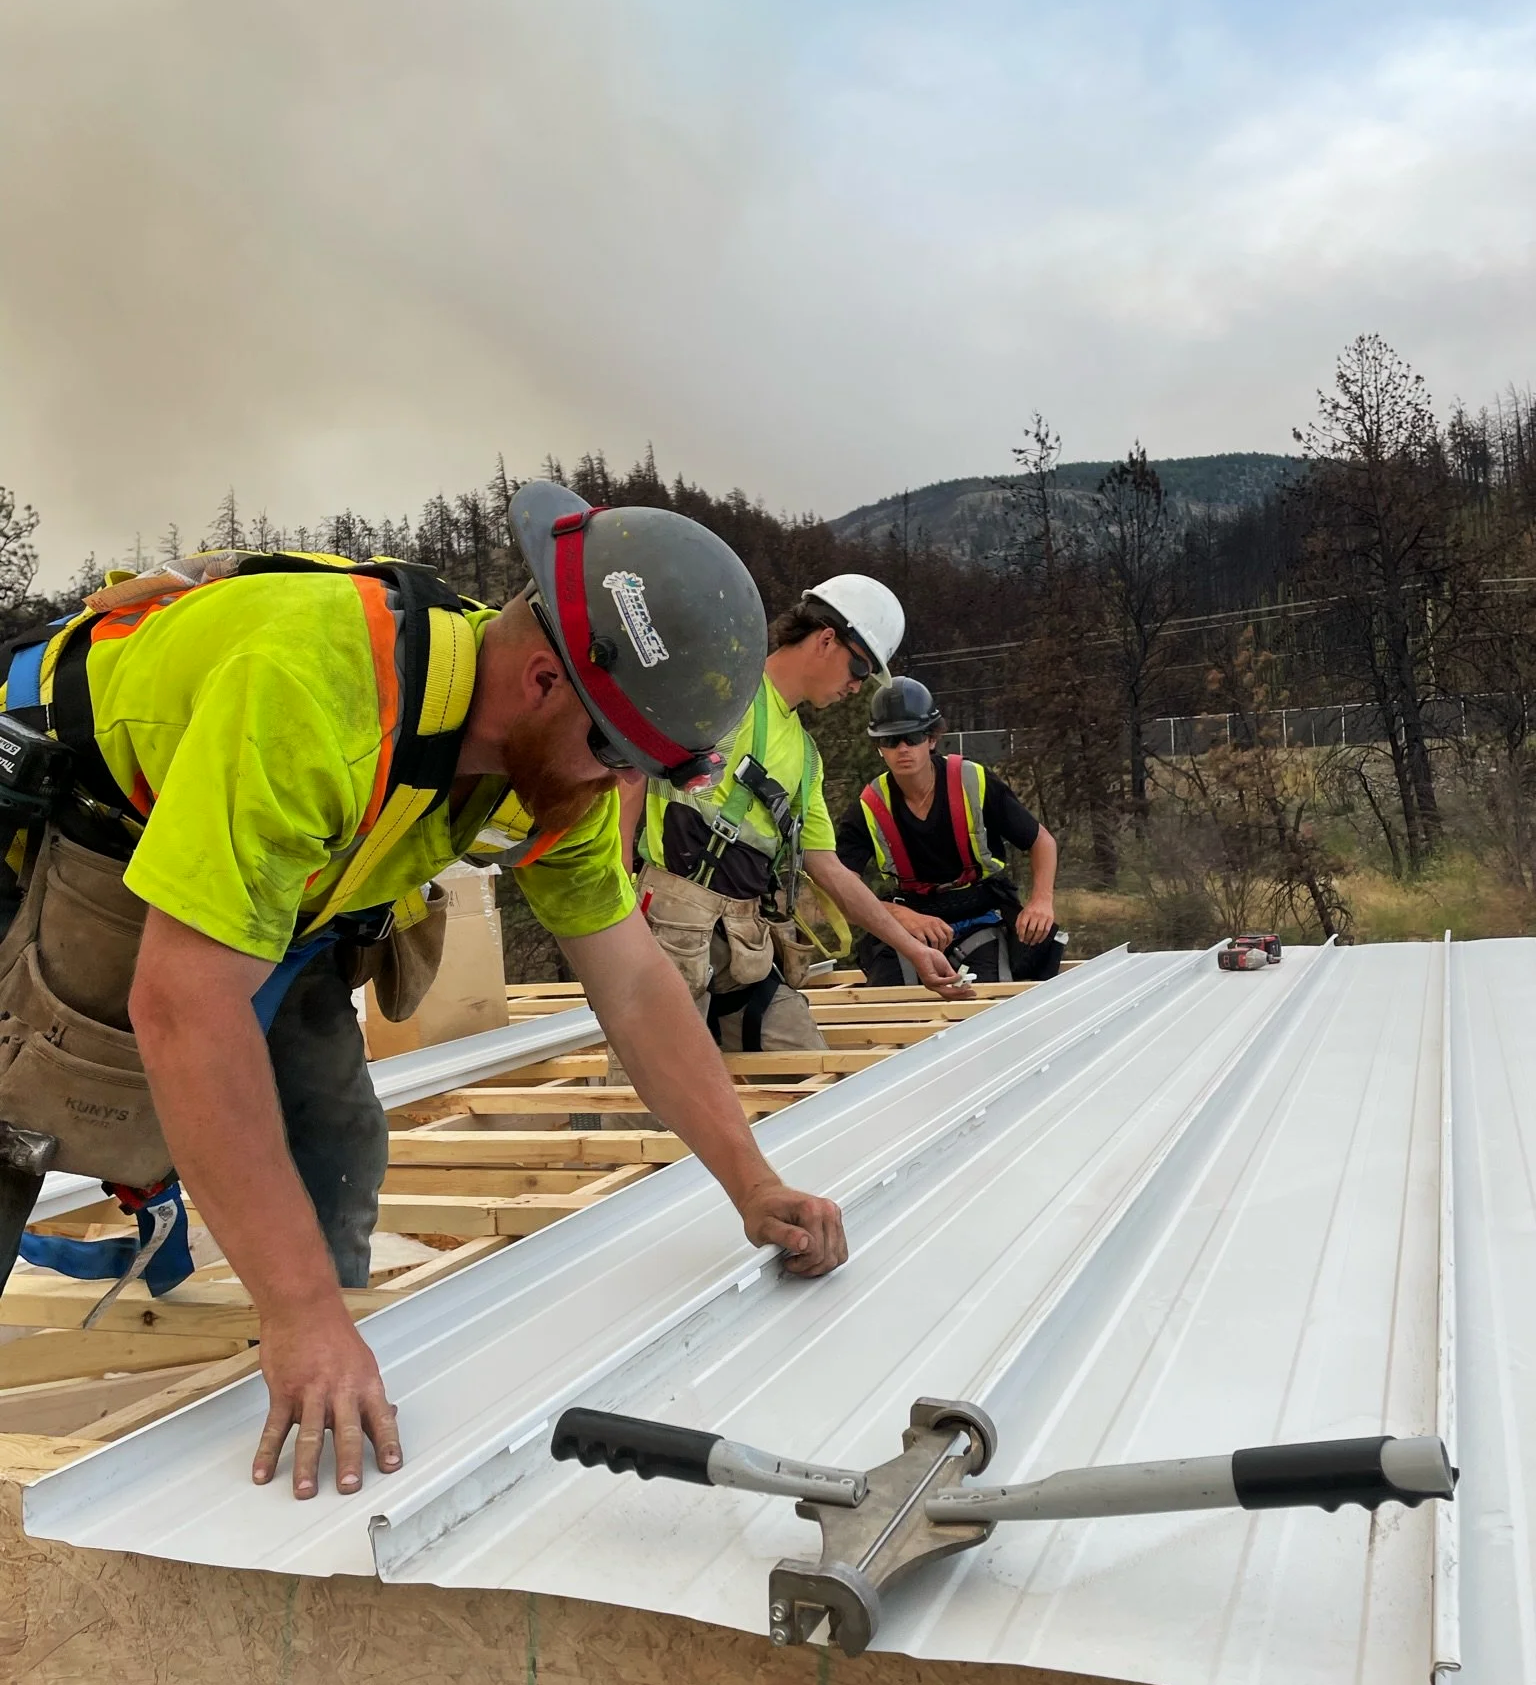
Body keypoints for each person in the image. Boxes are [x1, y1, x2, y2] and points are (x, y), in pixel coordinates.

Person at [0, 480, 848, 1500]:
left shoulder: (557, 763)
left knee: (335, 1131)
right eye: (616, 758)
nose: (617, 792)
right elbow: (185, 1007)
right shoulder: (314, 696)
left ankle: (295, 1370)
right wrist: (301, 1313)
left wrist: (752, 1180)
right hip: (75, 825)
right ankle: (302, 1336)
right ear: (543, 679)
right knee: (29, 1122)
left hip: (277, 871)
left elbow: (630, 979)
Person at [622, 577, 966, 1053]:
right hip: (674, 923)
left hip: (744, 940)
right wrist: (617, 878)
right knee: (653, 1087)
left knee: (807, 1073)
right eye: (859, 667)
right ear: (826, 639)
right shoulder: (724, 693)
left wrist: (913, 949)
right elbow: (631, 771)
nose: (856, 686)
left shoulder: (806, 758)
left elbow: (828, 868)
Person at [835, 676, 1063, 986]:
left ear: (931, 739)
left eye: (912, 737)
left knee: (989, 999)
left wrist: (1041, 901)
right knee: (891, 996)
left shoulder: (972, 781)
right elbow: (841, 891)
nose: (903, 749)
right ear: (879, 747)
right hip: (912, 926)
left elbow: (1041, 842)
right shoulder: (870, 806)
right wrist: (902, 918)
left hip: (980, 915)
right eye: (890, 740)